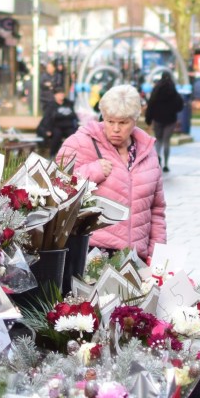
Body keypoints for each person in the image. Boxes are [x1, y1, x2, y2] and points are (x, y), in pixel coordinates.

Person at [56, 84, 166, 260]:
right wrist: (93, 170)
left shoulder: (148, 151)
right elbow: (57, 190)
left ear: (135, 120)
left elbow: (157, 209)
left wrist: (157, 254)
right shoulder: (79, 143)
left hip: (135, 256)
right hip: (91, 253)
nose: (115, 129)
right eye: (110, 121)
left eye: (123, 123)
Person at [143, 70, 184, 172]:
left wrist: (148, 118)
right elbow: (180, 104)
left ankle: (158, 159)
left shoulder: (156, 89)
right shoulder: (173, 90)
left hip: (158, 119)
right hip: (170, 120)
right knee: (166, 141)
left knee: (159, 140)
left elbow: (151, 104)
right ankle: (166, 164)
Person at [36, 87, 78, 158]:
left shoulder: (68, 103)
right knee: (57, 135)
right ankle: (53, 154)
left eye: (62, 93)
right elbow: (47, 118)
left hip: (68, 126)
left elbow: (74, 116)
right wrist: (47, 130)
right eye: (59, 93)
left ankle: (72, 155)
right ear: (55, 95)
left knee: (73, 136)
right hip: (56, 126)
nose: (61, 95)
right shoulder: (51, 105)